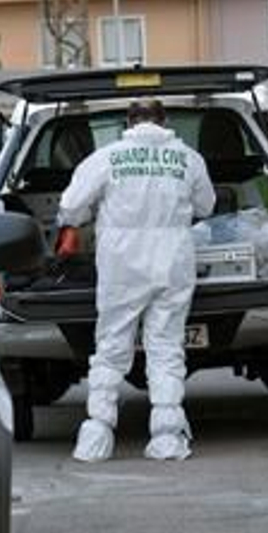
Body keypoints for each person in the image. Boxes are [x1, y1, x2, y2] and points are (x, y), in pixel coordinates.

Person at [56, 99, 215, 462]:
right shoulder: (188, 159)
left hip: (121, 265)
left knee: (112, 346)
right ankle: (167, 437)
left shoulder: (106, 158)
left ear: (128, 123)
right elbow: (206, 206)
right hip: (172, 263)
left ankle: (97, 435)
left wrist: (81, 220)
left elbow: (70, 206)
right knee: (166, 346)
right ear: (165, 121)